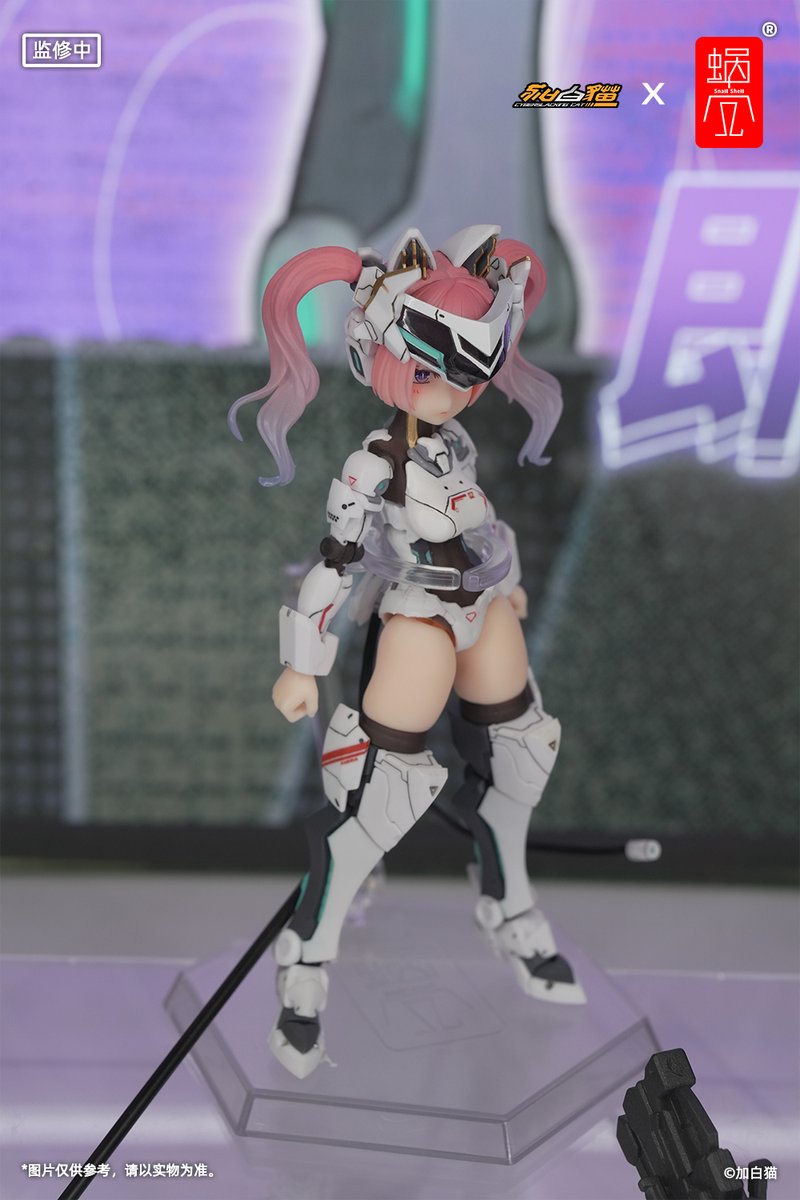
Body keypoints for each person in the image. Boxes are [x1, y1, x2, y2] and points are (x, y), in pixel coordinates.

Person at [229, 225, 585, 1079]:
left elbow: (482, 520)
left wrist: (510, 579)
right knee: (375, 800)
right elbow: (336, 559)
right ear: (381, 355)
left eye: (470, 375)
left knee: (520, 757)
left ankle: (510, 905)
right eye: (432, 373)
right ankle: (306, 960)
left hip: (485, 604)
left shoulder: (456, 442)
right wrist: (302, 662)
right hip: (419, 612)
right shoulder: (371, 466)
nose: (453, 393)